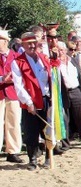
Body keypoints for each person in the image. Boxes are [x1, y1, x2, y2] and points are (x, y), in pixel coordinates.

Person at [11, 32, 52, 169]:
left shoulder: (44, 58)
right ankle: (32, 159)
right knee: (31, 131)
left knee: (47, 129)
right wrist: (28, 102)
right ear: (23, 44)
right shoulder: (18, 62)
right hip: (31, 100)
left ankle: (48, 156)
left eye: (34, 43)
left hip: (46, 98)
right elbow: (19, 86)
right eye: (29, 43)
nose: (32, 46)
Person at [0, 28, 23, 163]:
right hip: (0, 92)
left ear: (5, 41)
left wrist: (14, 78)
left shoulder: (15, 56)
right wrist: (2, 79)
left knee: (14, 122)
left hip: (13, 93)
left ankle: (13, 151)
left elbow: (22, 73)